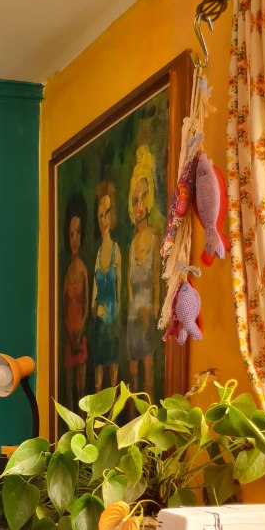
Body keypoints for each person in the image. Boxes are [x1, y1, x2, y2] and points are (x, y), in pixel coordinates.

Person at [125, 145, 161, 396]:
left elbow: (157, 281)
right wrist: (131, 308)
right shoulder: (131, 245)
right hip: (133, 318)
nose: (140, 205)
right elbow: (129, 283)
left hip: (148, 315)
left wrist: (154, 311)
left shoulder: (155, 239)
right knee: (132, 374)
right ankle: (130, 416)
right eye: (135, 199)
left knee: (148, 370)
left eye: (144, 197)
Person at [90, 179, 121, 391]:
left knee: (113, 380)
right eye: (101, 215)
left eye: (107, 213)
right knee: (98, 382)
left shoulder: (116, 251)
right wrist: (95, 308)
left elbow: (119, 293)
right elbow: (94, 295)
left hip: (112, 325)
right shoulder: (98, 254)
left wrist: (114, 317)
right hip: (99, 326)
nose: (104, 220)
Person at [62, 193, 89, 412]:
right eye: (71, 234)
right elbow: (63, 310)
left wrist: (79, 335)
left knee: (81, 388)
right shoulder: (67, 274)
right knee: (69, 385)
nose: (74, 239)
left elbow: (86, 306)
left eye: (78, 232)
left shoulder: (83, 271)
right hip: (69, 336)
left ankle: (81, 423)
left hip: (81, 335)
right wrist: (70, 336)